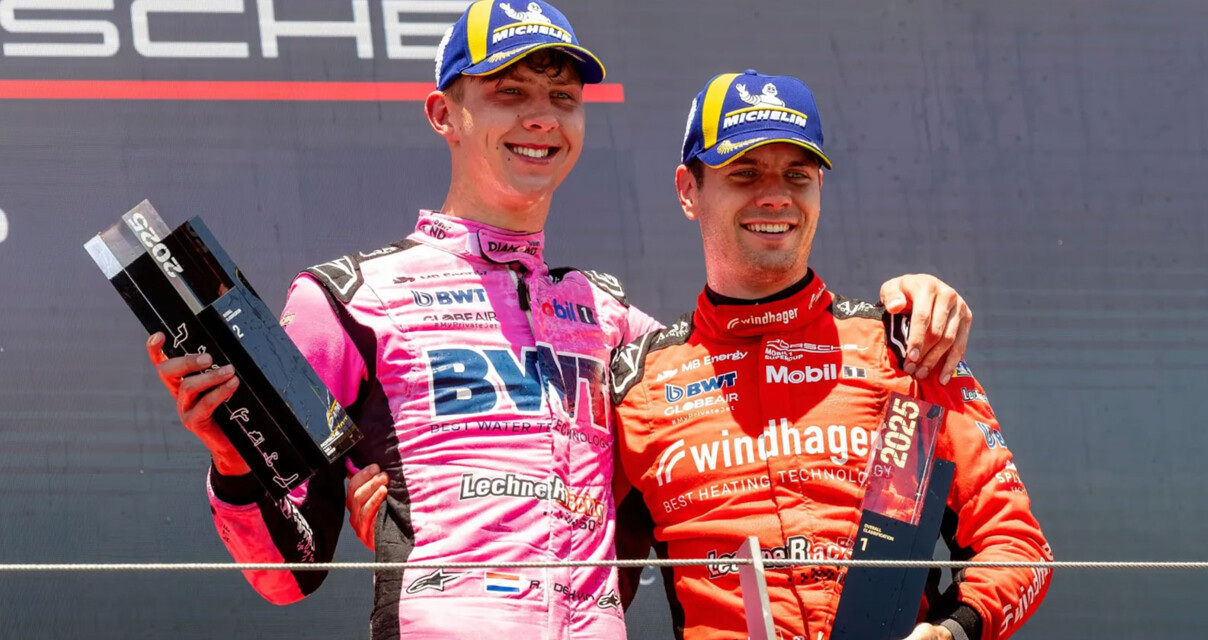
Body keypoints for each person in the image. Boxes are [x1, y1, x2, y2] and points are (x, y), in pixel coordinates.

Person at [143, 2, 974, 638]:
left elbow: (753, 361)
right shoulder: (344, 300)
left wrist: (909, 303)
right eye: (510, 94)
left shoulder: (614, 322)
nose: (541, 117)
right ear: (444, 114)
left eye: (561, 97)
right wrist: (233, 461)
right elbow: (285, 576)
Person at [605, 71, 1052, 640]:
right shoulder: (638, 383)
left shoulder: (904, 348)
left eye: (798, 174)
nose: (776, 195)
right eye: (745, 173)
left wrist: (952, 631)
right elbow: (588, 594)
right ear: (688, 191)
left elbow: (1017, 545)